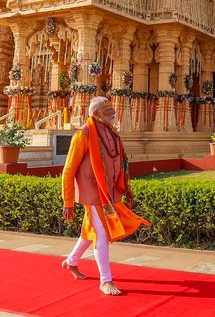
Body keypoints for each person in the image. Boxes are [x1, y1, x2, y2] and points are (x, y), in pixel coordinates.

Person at [61, 96, 149, 295]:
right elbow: (68, 169)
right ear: (95, 114)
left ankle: (70, 262)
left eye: (111, 109)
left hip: (111, 193)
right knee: (102, 233)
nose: (112, 113)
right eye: (107, 110)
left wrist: (127, 189)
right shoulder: (83, 134)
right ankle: (105, 280)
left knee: (90, 231)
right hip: (93, 193)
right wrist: (68, 201)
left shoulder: (112, 133)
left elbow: (120, 163)